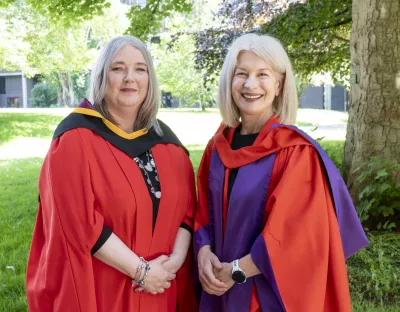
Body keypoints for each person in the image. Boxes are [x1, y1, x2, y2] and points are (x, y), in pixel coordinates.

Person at [194, 33, 369, 312]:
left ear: (279, 84)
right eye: (242, 74)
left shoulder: (295, 152)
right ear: (230, 82)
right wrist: (203, 254)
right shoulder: (217, 147)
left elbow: (294, 236)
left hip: (266, 294)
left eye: (262, 74)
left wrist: (236, 271)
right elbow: (202, 212)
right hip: (217, 286)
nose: (251, 84)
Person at [26, 35, 197, 312]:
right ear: (102, 77)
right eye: (118, 68)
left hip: (163, 287)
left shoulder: (169, 143)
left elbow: (189, 213)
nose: (130, 77)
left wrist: (174, 262)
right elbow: (78, 223)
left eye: (140, 69)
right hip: (104, 291)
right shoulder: (75, 139)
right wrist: (142, 272)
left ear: (150, 78)